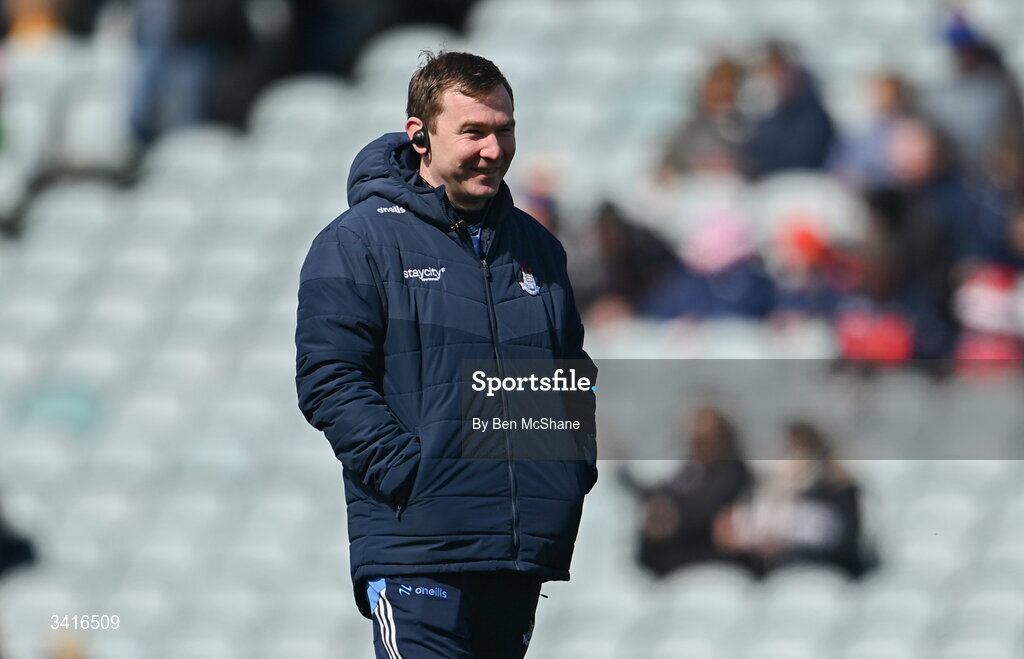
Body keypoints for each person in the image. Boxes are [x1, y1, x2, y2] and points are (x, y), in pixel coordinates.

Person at [295, 51, 597, 659]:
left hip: (516, 553)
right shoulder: (357, 241)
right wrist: (416, 476)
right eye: (474, 132)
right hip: (418, 549)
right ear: (420, 137)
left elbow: (571, 375)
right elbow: (329, 379)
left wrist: (566, 475)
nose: (494, 149)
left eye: (504, 130)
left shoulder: (539, 247)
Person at [714, 421, 869, 578]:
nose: (793, 458)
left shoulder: (838, 491)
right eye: (789, 450)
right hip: (776, 575)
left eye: (800, 450)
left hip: (824, 573)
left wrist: (784, 544)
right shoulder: (767, 491)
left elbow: (840, 542)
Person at [618, 405, 753, 577]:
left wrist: (672, 511)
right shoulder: (691, 469)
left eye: (705, 440)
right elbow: (662, 491)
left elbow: (705, 509)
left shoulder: (734, 472)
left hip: (711, 556)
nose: (698, 447)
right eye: (694, 440)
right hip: (678, 553)